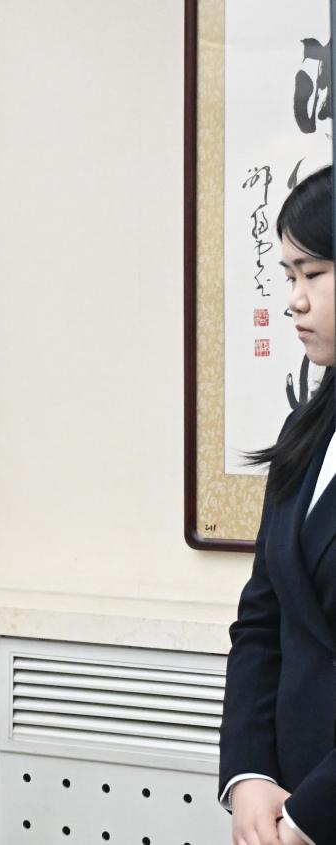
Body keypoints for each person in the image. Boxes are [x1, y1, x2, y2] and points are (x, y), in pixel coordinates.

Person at [220, 165, 336, 845]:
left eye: (312, 273)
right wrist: (250, 775)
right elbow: (263, 621)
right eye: (288, 275)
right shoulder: (305, 429)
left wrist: (309, 816)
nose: (294, 300)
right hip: (285, 800)